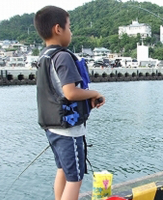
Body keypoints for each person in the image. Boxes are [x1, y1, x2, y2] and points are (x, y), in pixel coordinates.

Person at [34, 6, 105, 200]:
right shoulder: (63, 56)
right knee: (75, 178)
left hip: (52, 127)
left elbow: (59, 93)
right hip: (68, 131)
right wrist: (95, 92)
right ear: (58, 29)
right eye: (69, 27)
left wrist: (87, 99)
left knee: (62, 171)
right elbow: (71, 92)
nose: (71, 32)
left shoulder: (44, 57)